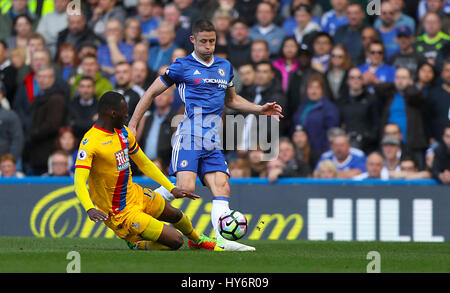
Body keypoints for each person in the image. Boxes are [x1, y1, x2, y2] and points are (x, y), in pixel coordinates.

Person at [128, 19, 283, 251]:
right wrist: (132, 124)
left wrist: (260, 109)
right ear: (193, 40)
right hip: (189, 135)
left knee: (222, 186)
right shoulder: (181, 66)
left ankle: (222, 240)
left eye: (212, 41)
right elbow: (150, 93)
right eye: (204, 41)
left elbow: (232, 100)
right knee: (185, 187)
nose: (208, 45)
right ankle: (136, 208)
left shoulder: (225, 67)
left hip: (213, 139)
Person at [74, 91, 221, 251]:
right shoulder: (90, 143)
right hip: (120, 213)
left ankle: (197, 240)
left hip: (136, 195)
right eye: (125, 112)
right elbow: (79, 181)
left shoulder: (123, 133)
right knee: (176, 241)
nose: (127, 116)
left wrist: (171, 187)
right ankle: (136, 243)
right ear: (113, 113)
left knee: (175, 215)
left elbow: (144, 163)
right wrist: (89, 208)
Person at [375, 67, 428, 169]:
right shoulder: (390, 95)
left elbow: (417, 95)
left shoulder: (414, 96)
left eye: (404, 78)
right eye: (397, 77)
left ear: (410, 80)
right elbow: (378, 88)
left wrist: (409, 86)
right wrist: (394, 85)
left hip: (413, 143)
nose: (400, 81)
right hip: (390, 142)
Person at [292, 74, 340, 154]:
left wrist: (326, 152)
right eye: (310, 88)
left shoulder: (329, 108)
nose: (313, 91)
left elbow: (332, 134)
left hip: (319, 150)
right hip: (301, 150)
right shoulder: (303, 105)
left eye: (317, 88)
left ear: (322, 90)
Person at [338, 67, 380, 153]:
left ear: (363, 80)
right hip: (346, 146)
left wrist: (367, 138)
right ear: (347, 81)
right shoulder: (341, 101)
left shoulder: (372, 99)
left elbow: (376, 124)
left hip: (367, 146)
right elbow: (338, 123)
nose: (355, 81)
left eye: (359, 78)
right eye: (352, 78)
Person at [426, 59, 450, 144]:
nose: (449, 74)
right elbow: (427, 118)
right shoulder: (433, 94)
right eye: (447, 70)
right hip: (437, 142)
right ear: (442, 73)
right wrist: (430, 137)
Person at [68, 76, 99, 141]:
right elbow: (70, 125)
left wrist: (76, 122)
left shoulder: (100, 106)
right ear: (78, 88)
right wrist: (92, 122)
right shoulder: (72, 104)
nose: (85, 90)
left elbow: (99, 129)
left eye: (88, 86)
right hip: (75, 143)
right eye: (82, 86)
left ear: (94, 88)